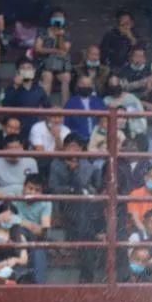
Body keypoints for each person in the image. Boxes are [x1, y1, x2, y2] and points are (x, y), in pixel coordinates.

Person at [48, 135, 102, 282]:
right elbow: (54, 188)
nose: (72, 150)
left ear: (81, 149)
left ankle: (86, 274)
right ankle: (87, 274)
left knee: (85, 216)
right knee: (85, 226)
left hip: (85, 211)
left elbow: (94, 188)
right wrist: (72, 188)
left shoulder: (88, 166)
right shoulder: (56, 164)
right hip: (65, 206)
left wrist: (76, 171)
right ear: (64, 148)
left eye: (76, 147)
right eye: (69, 146)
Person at [13, 174, 51, 283]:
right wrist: (32, 226)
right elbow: (9, 220)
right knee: (18, 230)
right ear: (24, 187)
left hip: (36, 239)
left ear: (42, 192)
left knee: (39, 253)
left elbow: (42, 231)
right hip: (16, 237)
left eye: (37, 190)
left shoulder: (46, 202)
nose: (32, 192)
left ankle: (39, 290)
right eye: (30, 188)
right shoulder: (15, 197)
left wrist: (21, 221)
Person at [3, 58, 52, 137]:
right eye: (23, 68)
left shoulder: (39, 89)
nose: (26, 70)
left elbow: (48, 107)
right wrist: (15, 86)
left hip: (34, 127)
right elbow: (5, 106)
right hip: (16, 127)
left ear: (34, 71)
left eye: (29, 68)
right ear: (18, 72)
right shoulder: (11, 88)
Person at [34, 7, 73, 104]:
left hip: (60, 65)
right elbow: (38, 48)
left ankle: (65, 109)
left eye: (60, 17)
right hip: (44, 64)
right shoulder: (43, 31)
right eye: (56, 17)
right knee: (47, 76)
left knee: (66, 77)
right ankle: (46, 107)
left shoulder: (66, 34)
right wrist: (54, 50)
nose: (58, 19)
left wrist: (60, 36)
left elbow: (64, 50)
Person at [63, 75, 107, 143]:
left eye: (89, 84)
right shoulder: (71, 102)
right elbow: (65, 123)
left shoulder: (99, 101)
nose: (86, 86)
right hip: (77, 139)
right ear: (78, 85)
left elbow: (105, 120)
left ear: (92, 86)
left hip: (98, 139)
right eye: (83, 84)